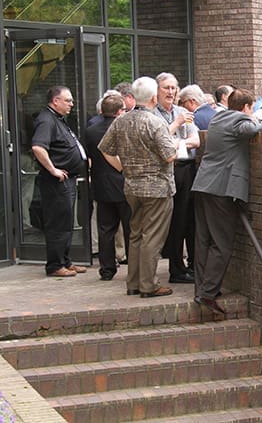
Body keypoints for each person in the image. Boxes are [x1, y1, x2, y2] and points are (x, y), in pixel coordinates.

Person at [192, 88, 262, 315]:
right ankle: (208, 294)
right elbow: (250, 128)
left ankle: (201, 288)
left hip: (203, 184)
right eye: (250, 108)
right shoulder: (240, 118)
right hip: (220, 188)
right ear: (246, 107)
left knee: (203, 240)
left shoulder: (218, 118)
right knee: (222, 244)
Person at [98, 76, 177, 298]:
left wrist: (122, 168)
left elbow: (104, 148)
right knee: (152, 236)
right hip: (157, 188)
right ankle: (148, 285)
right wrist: (178, 143)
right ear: (154, 97)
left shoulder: (121, 121)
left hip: (132, 186)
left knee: (136, 234)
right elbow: (170, 155)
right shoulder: (155, 122)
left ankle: (133, 283)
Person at [31, 86, 88, 277]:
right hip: (56, 182)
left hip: (67, 180)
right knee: (58, 224)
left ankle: (65, 261)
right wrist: (53, 169)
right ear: (55, 101)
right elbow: (38, 148)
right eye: (68, 100)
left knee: (66, 222)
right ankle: (55, 265)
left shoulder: (58, 119)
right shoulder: (46, 120)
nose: (71, 104)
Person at [155, 72, 200, 284]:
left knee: (189, 218)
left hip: (187, 168)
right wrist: (177, 126)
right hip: (167, 170)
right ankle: (176, 268)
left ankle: (191, 264)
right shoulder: (152, 114)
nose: (171, 92)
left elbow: (196, 140)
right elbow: (158, 142)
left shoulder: (182, 111)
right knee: (174, 220)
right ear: (157, 90)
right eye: (166, 88)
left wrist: (176, 142)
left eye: (174, 88)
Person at [85, 93, 131, 281]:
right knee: (130, 229)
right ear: (120, 111)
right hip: (123, 184)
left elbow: (88, 157)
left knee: (105, 230)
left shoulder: (90, 131)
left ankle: (107, 269)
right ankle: (134, 268)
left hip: (101, 185)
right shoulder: (123, 128)